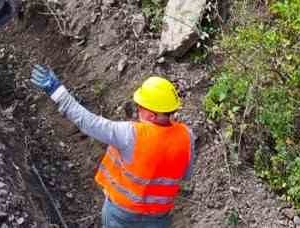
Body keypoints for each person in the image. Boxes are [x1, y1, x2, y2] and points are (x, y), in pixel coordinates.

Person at [30, 65, 195, 227]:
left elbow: (89, 122)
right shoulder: (186, 136)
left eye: (140, 107)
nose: (137, 110)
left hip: (122, 216)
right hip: (159, 219)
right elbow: (185, 175)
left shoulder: (131, 134)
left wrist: (57, 92)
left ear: (151, 115)